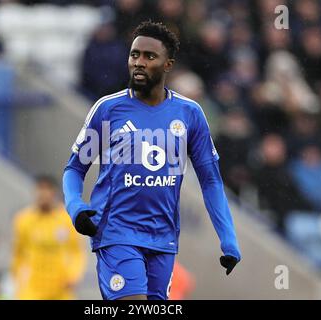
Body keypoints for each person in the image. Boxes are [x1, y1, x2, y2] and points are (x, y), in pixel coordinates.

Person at [63, 21, 241, 300]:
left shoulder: (189, 114)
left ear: (168, 64)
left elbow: (211, 181)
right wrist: (75, 207)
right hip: (116, 233)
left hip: (163, 239)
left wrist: (228, 237)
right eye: (134, 55)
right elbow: (74, 168)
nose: (139, 63)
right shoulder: (109, 110)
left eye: (149, 56)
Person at [11, 175, 87, 300]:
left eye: (47, 189)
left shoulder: (67, 219)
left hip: (60, 286)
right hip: (33, 288)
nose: (43, 193)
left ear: (54, 193)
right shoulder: (23, 220)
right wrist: (18, 278)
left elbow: (77, 251)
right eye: (40, 189)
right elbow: (17, 253)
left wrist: (74, 274)